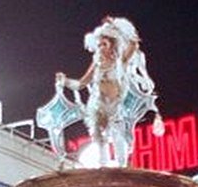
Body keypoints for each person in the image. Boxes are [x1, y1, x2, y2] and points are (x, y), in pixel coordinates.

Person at [49, 16, 162, 166]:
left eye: (104, 44)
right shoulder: (96, 65)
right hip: (97, 105)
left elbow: (134, 44)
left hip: (114, 106)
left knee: (117, 134)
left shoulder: (120, 62)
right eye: (99, 44)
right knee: (98, 136)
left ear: (111, 46)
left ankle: (122, 165)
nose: (101, 47)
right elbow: (81, 84)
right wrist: (65, 81)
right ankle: (103, 165)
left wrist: (116, 26)